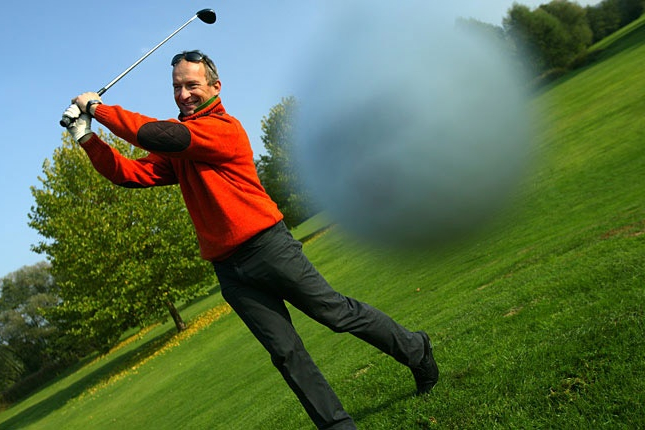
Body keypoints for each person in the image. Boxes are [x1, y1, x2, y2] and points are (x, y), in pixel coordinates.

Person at [63, 50, 438, 429]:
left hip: (268, 247)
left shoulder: (221, 129)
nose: (183, 94)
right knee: (285, 352)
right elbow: (130, 173)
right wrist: (86, 137)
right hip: (229, 269)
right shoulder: (181, 143)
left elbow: (155, 134)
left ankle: (417, 350)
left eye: (192, 84)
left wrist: (100, 108)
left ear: (215, 87)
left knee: (334, 313)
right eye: (177, 87)